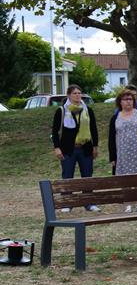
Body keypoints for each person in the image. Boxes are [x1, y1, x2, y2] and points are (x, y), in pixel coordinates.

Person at [51, 84, 100, 212]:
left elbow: (93, 130)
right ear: (68, 95)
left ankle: (89, 203)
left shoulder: (87, 110)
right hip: (68, 149)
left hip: (85, 147)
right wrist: (57, 148)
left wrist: (95, 146)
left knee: (87, 176)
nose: (78, 95)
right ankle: (67, 203)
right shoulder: (62, 111)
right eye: (75, 93)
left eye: (79, 93)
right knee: (67, 176)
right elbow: (55, 131)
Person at [108, 88, 137, 212]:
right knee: (124, 177)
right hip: (122, 152)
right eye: (125, 99)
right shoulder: (115, 117)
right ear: (120, 102)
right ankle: (128, 202)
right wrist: (112, 157)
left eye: (130, 99)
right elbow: (111, 138)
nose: (128, 102)